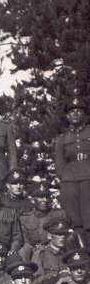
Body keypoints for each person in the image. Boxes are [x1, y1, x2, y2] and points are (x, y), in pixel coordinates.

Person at [54, 97, 90, 229]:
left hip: (88, 178)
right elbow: (59, 161)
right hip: (70, 180)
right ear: (67, 116)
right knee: (72, 217)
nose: (75, 113)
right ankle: (79, 248)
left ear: (84, 114)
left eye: (78, 110)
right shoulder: (62, 139)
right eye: (71, 111)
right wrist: (64, 177)